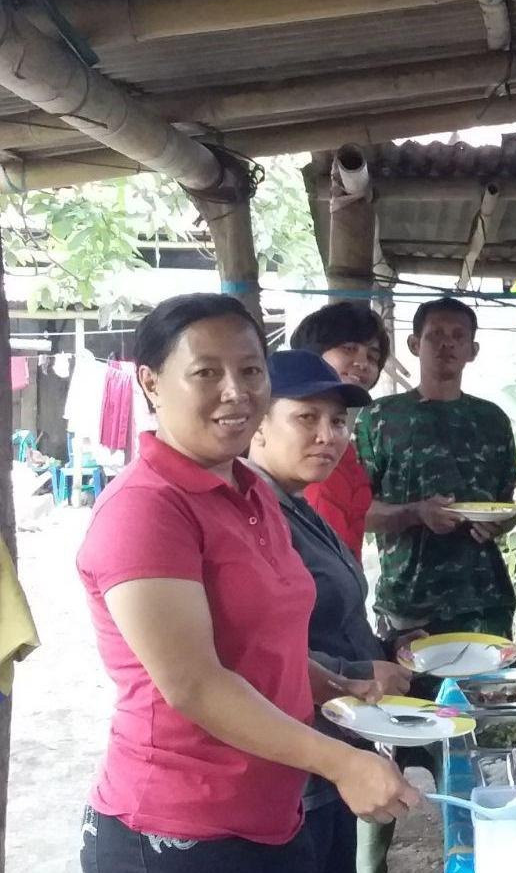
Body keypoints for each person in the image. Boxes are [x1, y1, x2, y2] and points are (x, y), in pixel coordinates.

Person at [76, 293, 417, 873]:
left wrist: (337, 685)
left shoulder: (253, 492)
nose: (236, 391)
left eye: (251, 370)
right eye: (207, 372)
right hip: (176, 831)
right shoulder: (145, 509)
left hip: (272, 815)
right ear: (151, 383)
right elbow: (197, 685)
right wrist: (341, 762)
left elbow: (265, 646)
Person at [247, 350, 415, 873]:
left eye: (338, 421)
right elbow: (252, 653)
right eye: (306, 417)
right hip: (298, 757)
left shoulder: (295, 503)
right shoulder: (252, 517)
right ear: (256, 423)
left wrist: (389, 650)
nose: (328, 435)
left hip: (334, 744)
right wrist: (361, 673)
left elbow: (332, 618)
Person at [356, 297, 516, 642]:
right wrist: (416, 513)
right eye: (435, 335)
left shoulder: (492, 420)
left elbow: (507, 505)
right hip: (409, 607)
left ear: (472, 350)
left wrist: (498, 523)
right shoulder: (379, 418)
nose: (447, 343)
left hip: (484, 602)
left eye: (458, 336)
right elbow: (357, 513)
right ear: (415, 344)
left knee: (486, 696)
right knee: (412, 697)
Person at [290, 301, 392, 559]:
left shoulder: (342, 442)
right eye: (349, 348)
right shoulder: (285, 437)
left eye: (372, 356)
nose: (362, 363)